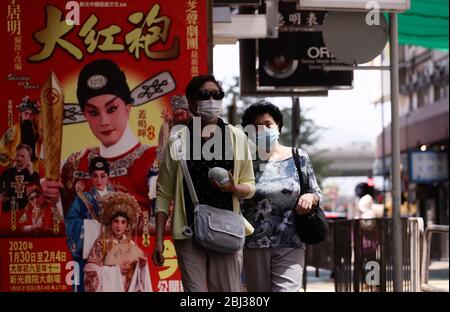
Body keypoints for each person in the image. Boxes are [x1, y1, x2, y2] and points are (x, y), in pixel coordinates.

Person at [152, 74, 256, 292]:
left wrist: (234, 188)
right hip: (188, 231)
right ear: (191, 102)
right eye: (204, 95)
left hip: (227, 228)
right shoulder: (177, 141)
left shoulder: (237, 137)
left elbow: (250, 185)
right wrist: (159, 239)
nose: (212, 100)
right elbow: (163, 194)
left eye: (217, 95)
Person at [41, 59, 158, 236]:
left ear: (128, 107)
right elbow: (61, 226)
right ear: (84, 115)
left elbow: (167, 225)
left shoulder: (155, 159)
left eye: (112, 109)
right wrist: (49, 196)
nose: (104, 121)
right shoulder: (75, 163)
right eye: (94, 113)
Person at [240, 101, 323, 292]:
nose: (263, 130)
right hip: (253, 245)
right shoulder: (244, 162)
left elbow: (316, 192)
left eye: (267, 125)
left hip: (291, 241)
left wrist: (310, 198)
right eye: (256, 127)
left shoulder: (298, 157)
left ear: (278, 126)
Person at [84, 192, 152, 292]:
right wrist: (116, 271)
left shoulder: (131, 245)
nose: (119, 226)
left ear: (127, 225)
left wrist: (141, 266)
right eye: (116, 221)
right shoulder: (101, 243)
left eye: (123, 222)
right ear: (110, 223)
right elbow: (90, 273)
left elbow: (137, 281)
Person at [65, 156, 114, 291]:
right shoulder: (83, 199)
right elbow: (71, 222)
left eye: (103, 176)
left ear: (108, 177)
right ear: (90, 177)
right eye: (95, 176)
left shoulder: (117, 197)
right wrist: (93, 228)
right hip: (89, 254)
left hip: (112, 254)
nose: (99, 180)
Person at [0, 96, 42, 171]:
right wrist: (10, 161)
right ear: (21, 114)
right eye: (26, 113)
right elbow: (1, 148)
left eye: (31, 114)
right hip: (16, 169)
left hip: (32, 170)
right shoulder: (13, 131)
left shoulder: (37, 132)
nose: (28, 117)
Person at [0, 144, 40, 214]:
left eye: (22, 156)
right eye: (17, 155)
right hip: (8, 214)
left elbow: (38, 194)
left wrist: (31, 172)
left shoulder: (34, 175)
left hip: (27, 215)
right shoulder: (6, 173)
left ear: (29, 158)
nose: (18, 158)